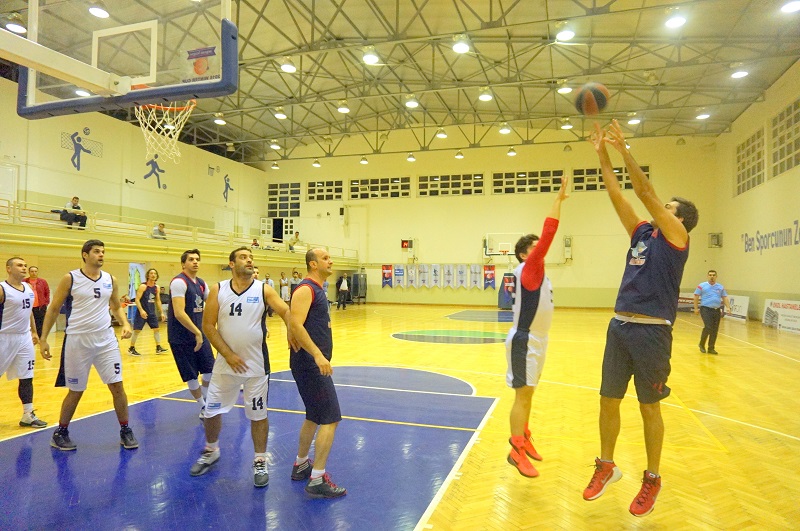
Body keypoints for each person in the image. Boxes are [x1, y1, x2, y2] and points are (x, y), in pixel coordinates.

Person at [583, 121, 698, 517]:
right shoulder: (642, 234)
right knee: (607, 399)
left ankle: (652, 478)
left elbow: (645, 193)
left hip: (652, 332)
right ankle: (607, 466)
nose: (661, 208)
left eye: (669, 208)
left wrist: (625, 151)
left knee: (649, 406)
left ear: (679, 220)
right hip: (620, 325)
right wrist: (602, 153)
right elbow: (617, 194)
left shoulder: (677, 239)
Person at [189, 247, 296, 488]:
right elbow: (208, 326)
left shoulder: (263, 289)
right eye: (243, 257)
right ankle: (211, 450)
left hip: (256, 365)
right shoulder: (218, 289)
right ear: (231, 263)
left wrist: (291, 330)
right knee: (211, 410)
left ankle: (260, 460)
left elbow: (286, 310)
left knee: (258, 414)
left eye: (251, 257)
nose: (249, 260)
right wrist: (228, 354)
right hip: (225, 365)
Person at [40, 239, 138, 451]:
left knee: (117, 386)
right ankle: (60, 432)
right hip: (78, 341)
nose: (101, 254)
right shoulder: (70, 278)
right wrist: (43, 338)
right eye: (96, 251)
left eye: (103, 251)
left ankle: (125, 429)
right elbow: (53, 309)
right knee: (76, 390)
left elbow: (115, 306)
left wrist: (125, 323)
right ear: (85, 255)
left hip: (105, 340)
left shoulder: (110, 279)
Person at [505, 174, 570, 478]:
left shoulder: (540, 273)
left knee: (529, 393)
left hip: (540, 339)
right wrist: (557, 200)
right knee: (522, 394)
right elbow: (549, 233)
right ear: (523, 254)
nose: (540, 249)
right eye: (534, 247)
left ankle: (525, 435)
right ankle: (515, 450)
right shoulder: (528, 269)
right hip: (525, 340)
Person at [289, 248, 346, 498]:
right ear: (313, 264)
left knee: (313, 415)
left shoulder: (317, 289)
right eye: (325, 258)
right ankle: (317, 478)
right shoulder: (306, 289)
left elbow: (293, 321)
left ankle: (301, 464)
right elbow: (295, 324)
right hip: (311, 364)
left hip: (309, 363)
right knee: (330, 418)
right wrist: (317, 355)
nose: (330, 261)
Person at [167, 249, 216, 420]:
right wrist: (197, 332)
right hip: (181, 336)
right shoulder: (179, 282)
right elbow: (179, 313)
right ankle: (203, 406)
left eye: (197, 259)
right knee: (191, 375)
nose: (195, 262)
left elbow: (213, 303)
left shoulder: (201, 283)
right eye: (191, 259)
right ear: (183, 264)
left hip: (199, 333)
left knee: (210, 369)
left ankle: (207, 400)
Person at [1, 257, 49, 428]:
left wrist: (34, 332)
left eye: (25, 266)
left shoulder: (28, 288)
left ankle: (28, 414)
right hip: (4, 337)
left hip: (24, 337)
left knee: (27, 376)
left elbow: (29, 312)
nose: (23, 268)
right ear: (8, 269)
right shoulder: (2, 289)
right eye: (19, 265)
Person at [128, 268, 168, 356]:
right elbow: (137, 300)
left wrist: (161, 312)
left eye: (155, 273)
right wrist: (141, 310)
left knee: (156, 329)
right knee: (137, 330)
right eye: (151, 273)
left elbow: (158, 300)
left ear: (157, 276)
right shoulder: (143, 286)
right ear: (148, 275)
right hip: (142, 312)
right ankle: (131, 348)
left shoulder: (157, 287)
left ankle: (158, 347)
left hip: (151, 312)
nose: (153, 275)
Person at [694, 270, 731, 355]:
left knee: (715, 329)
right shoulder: (701, 286)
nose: (712, 277)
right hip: (706, 309)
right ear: (707, 276)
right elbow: (696, 296)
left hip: (716, 310)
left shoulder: (720, 287)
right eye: (710, 275)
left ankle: (711, 348)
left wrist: (728, 307)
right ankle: (701, 344)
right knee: (708, 327)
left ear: (716, 277)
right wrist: (696, 308)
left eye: (713, 275)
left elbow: (724, 297)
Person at [24, 265, 50, 338]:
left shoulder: (43, 281)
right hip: (28, 306)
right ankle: (29, 337)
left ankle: (40, 337)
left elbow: (47, 292)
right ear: (29, 272)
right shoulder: (24, 281)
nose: (34, 273)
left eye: (35, 271)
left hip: (40, 306)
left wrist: (46, 302)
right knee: (28, 322)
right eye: (32, 271)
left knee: (40, 322)